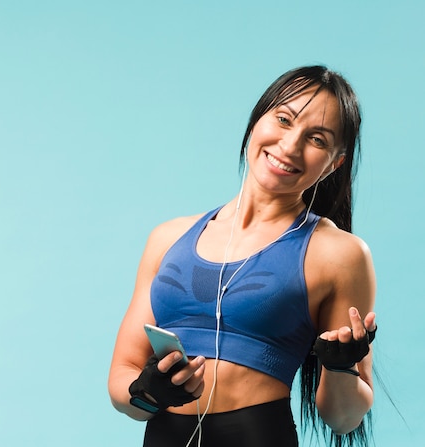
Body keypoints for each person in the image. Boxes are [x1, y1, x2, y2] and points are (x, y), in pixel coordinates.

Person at [108, 65, 377, 447]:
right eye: (283, 119)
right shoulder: (167, 238)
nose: (289, 145)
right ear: (257, 122)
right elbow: (123, 378)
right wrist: (149, 393)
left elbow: (343, 419)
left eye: (316, 139)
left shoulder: (339, 253)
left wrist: (340, 365)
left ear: (335, 163)